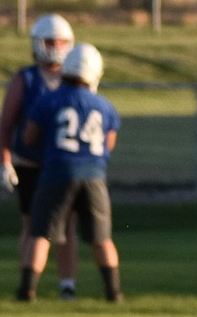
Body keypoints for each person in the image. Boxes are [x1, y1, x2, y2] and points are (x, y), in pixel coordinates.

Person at [16, 43, 123, 303]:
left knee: (41, 233)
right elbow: (109, 143)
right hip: (94, 174)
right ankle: (113, 292)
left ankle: (27, 290)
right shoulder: (104, 105)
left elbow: (29, 137)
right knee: (102, 238)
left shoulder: (48, 99)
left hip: (57, 171)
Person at [1, 13, 80, 297]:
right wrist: (5, 162)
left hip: (63, 164)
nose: (56, 47)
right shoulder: (27, 79)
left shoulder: (77, 78)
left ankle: (67, 285)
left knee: (66, 225)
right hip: (31, 163)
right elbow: (6, 124)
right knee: (31, 223)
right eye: (50, 41)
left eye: (61, 41)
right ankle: (27, 283)